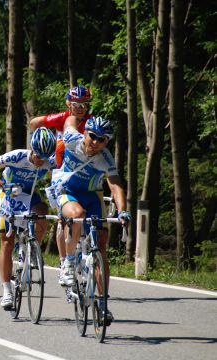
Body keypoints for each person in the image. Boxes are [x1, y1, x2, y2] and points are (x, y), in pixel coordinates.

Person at [56, 115, 131, 322]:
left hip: (92, 196)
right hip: (67, 191)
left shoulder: (105, 157)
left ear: (107, 142)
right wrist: (72, 113)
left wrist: (123, 210)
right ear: (85, 133)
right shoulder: (72, 139)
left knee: (101, 247)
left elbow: (115, 185)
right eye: (92, 136)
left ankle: (103, 303)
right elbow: (69, 122)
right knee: (77, 215)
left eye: (102, 139)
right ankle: (69, 263)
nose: (96, 142)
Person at [0, 127, 57, 309]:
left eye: (45, 158)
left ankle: (33, 249)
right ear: (32, 149)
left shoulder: (49, 161)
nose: (40, 162)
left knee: (42, 211)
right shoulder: (17, 156)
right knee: (7, 242)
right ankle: (6, 290)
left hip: (29, 195)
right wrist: (1, 184)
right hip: (9, 195)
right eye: (38, 157)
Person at [29, 85, 92, 281]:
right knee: (63, 219)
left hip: (84, 173)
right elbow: (34, 123)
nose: (80, 108)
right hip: (61, 174)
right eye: (76, 104)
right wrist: (43, 143)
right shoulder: (62, 118)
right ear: (68, 104)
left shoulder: (91, 123)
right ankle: (65, 261)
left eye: (84, 105)